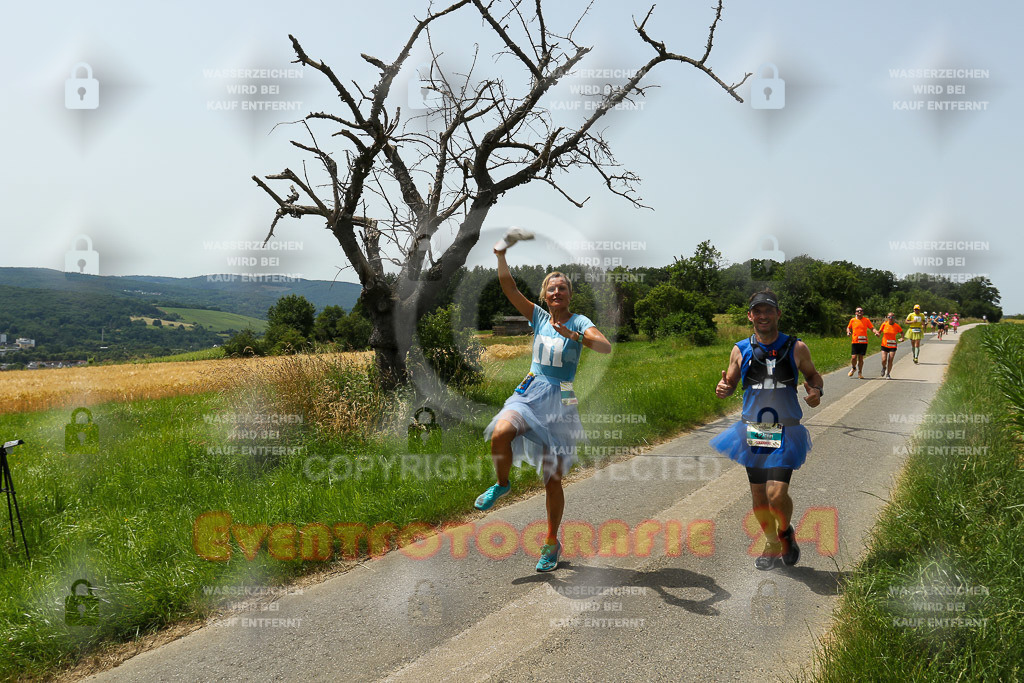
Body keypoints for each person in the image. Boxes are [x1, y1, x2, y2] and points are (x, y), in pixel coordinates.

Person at [475, 246, 612, 572]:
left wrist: (577, 335)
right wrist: (500, 257)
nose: (557, 291)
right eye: (551, 288)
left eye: (562, 287)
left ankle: (551, 542)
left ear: (569, 295)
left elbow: (604, 346)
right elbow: (510, 288)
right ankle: (502, 483)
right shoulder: (537, 316)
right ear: (545, 296)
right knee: (501, 433)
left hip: (560, 401)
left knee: (552, 479)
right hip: (530, 390)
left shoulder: (580, 321)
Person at [711, 290, 824, 570]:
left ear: (778, 314)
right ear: (750, 315)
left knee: (776, 495)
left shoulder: (797, 347)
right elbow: (730, 382)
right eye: (757, 311)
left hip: (786, 429)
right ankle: (772, 541)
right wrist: (724, 389)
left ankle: (785, 532)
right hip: (756, 429)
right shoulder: (740, 349)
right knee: (760, 496)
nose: (763, 316)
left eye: (768, 310)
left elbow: (813, 376)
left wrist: (816, 390)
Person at [846, 307, 878, 379]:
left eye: (861, 311)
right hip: (855, 341)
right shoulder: (853, 320)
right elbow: (848, 327)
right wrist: (848, 332)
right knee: (853, 357)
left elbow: (872, 328)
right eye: (858, 311)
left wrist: (876, 332)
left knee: (860, 358)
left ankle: (860, 372)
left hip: (863, 341)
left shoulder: (866, 320)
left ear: (863, 312)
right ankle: (853, 368)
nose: (860, 312)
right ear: (855, 313)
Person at [878, 312, 904, 379]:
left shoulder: (897, 326)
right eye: (889, 317)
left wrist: (902, 338)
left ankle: (888, 374)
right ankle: (884, 367)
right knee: (884, 359)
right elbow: (879, 331)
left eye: (892, 317)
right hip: (884, 344)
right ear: (887, 318)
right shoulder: (884, 324)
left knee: (890, 359)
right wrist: (877, 334)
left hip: (892, 345)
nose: (890, 318)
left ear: (894, 318)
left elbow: (902, 332)